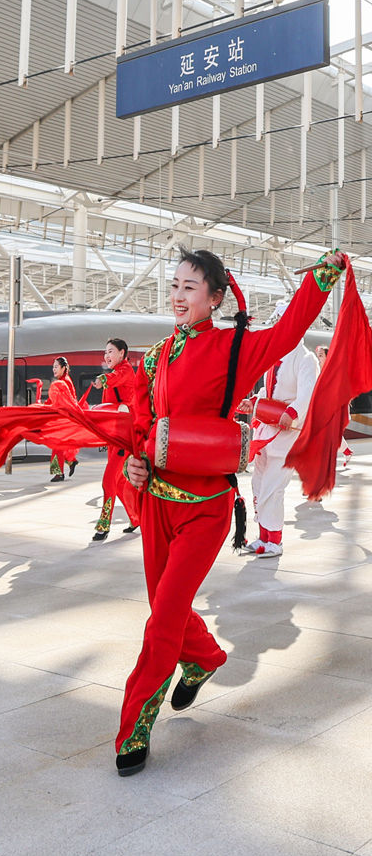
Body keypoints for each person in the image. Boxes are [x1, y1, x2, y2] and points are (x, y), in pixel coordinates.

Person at [115, 247, 344, 776]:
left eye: (190, 287)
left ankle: (134, 724)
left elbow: (288, 331)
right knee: (165, 609)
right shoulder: (157, 355)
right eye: (174, 285)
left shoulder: (235, 347)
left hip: (205, 509)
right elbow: (143, 424)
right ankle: (206, 658)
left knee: (163, 619)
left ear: (216, 298)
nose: (178, 296)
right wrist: (135, 462)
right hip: (157, 502)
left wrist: (322, 278)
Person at [242, 315, 320, 557]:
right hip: (267, 429)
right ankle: (263, 537)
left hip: (288, 434)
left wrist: (293, 412)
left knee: (273, 488)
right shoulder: (276, 355)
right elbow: (267, 391)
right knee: (259, 484)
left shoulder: (306, 359)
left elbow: (308, 392)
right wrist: (253, 402)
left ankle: (275, 541)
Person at [90, 338, 140, 541]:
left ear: (122, 353)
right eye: (105, 352)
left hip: (124, 437)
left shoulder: (125, 370)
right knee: (119, 483)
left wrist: (103, 379)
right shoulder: (117, 371)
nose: (106, 356)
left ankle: (104, 525)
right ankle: (136, 518)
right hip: (114, 436)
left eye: (110, 351)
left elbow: (114, 378)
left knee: (109, 480)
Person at [46, 357, 78, 481]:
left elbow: (65, 402)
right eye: (53, 367)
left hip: (65, 419)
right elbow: (53, 399)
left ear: (63, 368)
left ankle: (59, 473)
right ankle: (71, 461)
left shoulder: (65, 382)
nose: (53, 369)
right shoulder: (62, 381)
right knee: (59, 445)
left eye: (56, 367)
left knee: (57, 445)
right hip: (63, 418)